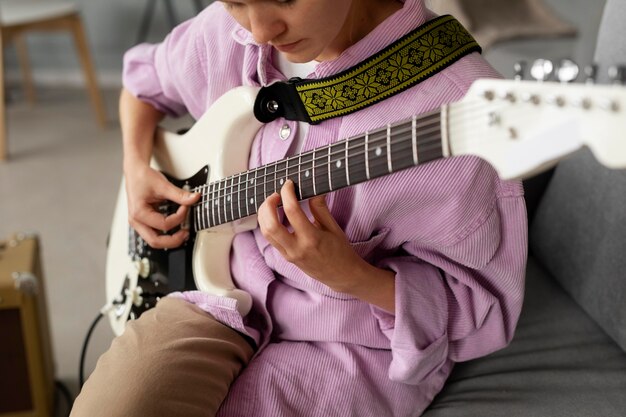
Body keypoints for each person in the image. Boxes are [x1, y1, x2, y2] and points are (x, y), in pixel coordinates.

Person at [71, 0, 528, 416]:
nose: (260, 30)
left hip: (352, 342)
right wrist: (134, 168)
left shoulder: (461, 104)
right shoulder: (228, 36)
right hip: (213, 294)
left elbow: (477, 311)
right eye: (235, 3)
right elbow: (142, 84)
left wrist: (352, 275)